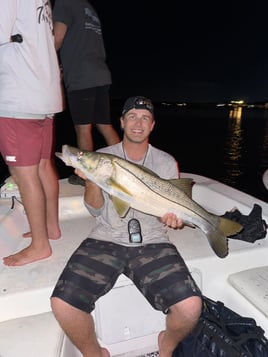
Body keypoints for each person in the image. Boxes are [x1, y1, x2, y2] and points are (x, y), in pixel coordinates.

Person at [51, 96, 202, 356]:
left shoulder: (165, 161)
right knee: (62, 305)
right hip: (105, 238)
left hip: (153, 240)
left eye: (145, 118)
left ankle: (167, 344)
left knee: (190, 307)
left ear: (152, 126)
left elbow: (163, 210)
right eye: (132, 116)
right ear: (121, 122)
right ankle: (94, 353)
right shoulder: (102, 158)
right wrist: (92, 181)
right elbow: (95, 209)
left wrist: (173, 218)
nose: (138, 123)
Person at [0, 0, 63, 266]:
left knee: (24, 175)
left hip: (19, 97)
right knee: (42, 165)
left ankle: (39, 245)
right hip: (45, 94)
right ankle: (51, 228)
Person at [52, 0, 120, 172]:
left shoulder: (64, 3)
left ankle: (87, 175)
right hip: (100, 73)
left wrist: (43, 60)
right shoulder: (88, 7)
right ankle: (127, 169)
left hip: (81, 76)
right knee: (104, 125)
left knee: (83, 128)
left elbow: (57, 38)